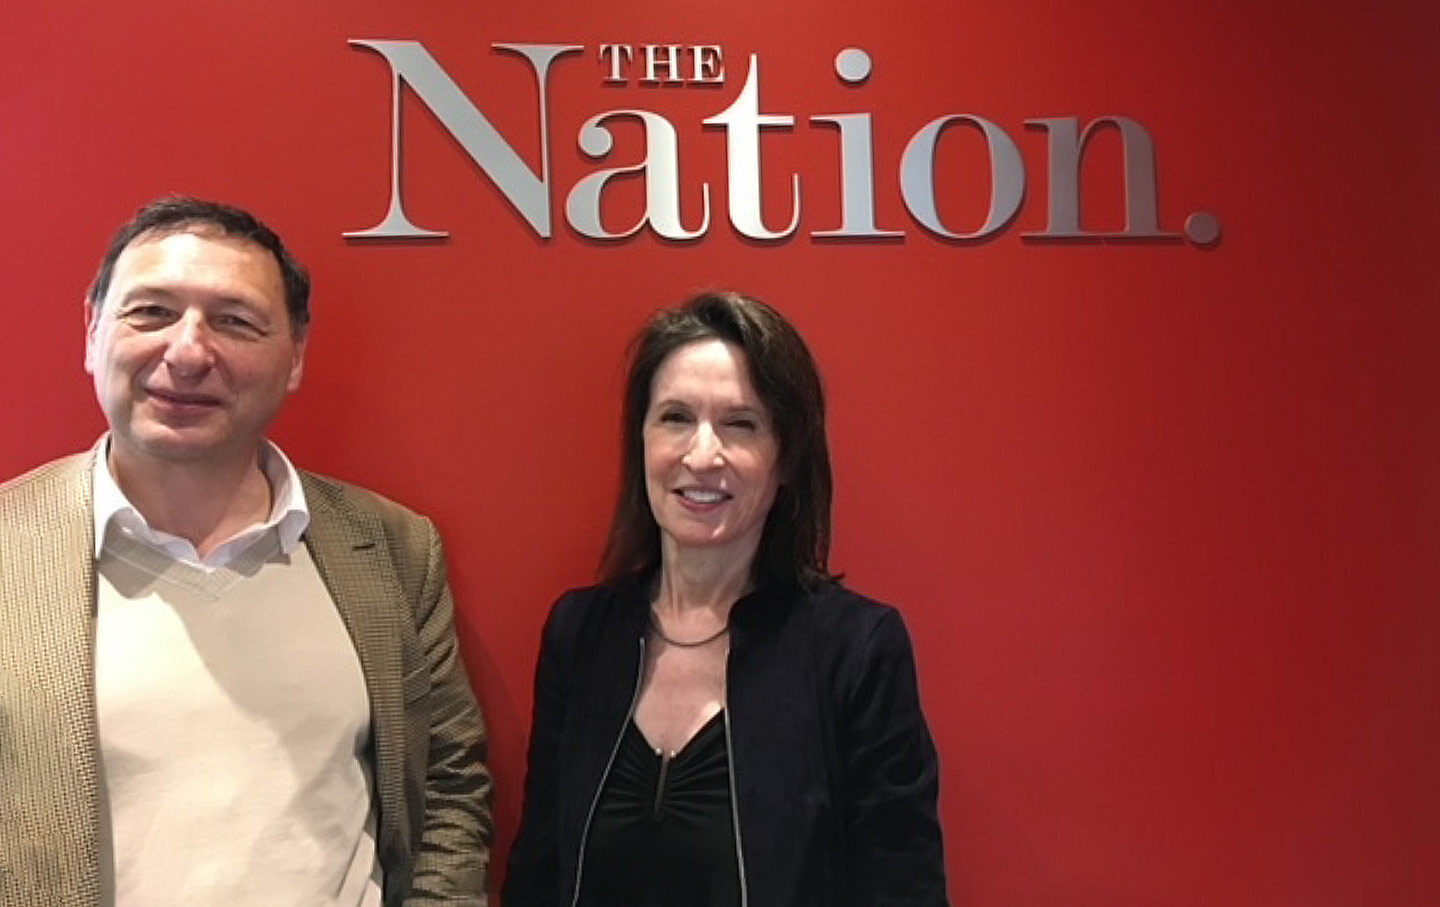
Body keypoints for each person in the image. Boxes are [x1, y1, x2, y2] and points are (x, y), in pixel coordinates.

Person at [0, 196, 492, 906]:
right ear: (92, 331)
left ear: (294, 356)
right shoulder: (13, 546)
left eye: (234, 321)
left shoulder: (391, 547)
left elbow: (449, 780)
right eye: (151, 312)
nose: (189, 351)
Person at [503, 291, 947, 906]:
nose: (702, 454)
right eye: (676, 418)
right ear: (642, 441)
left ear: (785, 456)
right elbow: (537, 876)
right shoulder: (580, 633)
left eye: (740, 424)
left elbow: (903, 889)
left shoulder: (855, 651)